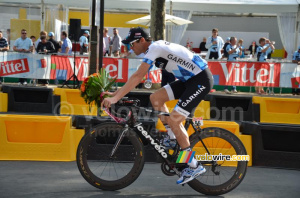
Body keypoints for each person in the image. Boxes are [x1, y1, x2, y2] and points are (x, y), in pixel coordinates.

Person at [102, 27, 212, 185]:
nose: (129, 48)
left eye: (131, 44)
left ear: (141, 40)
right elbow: (136, 77)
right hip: (190, 81)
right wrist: (116, 93)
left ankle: (194, 165)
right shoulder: (154, 49)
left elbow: (138, 76)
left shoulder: (155, 48)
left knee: (174, 121)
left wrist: (117, 98)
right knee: (156, 97)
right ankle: (173, 138)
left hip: (200, 80)